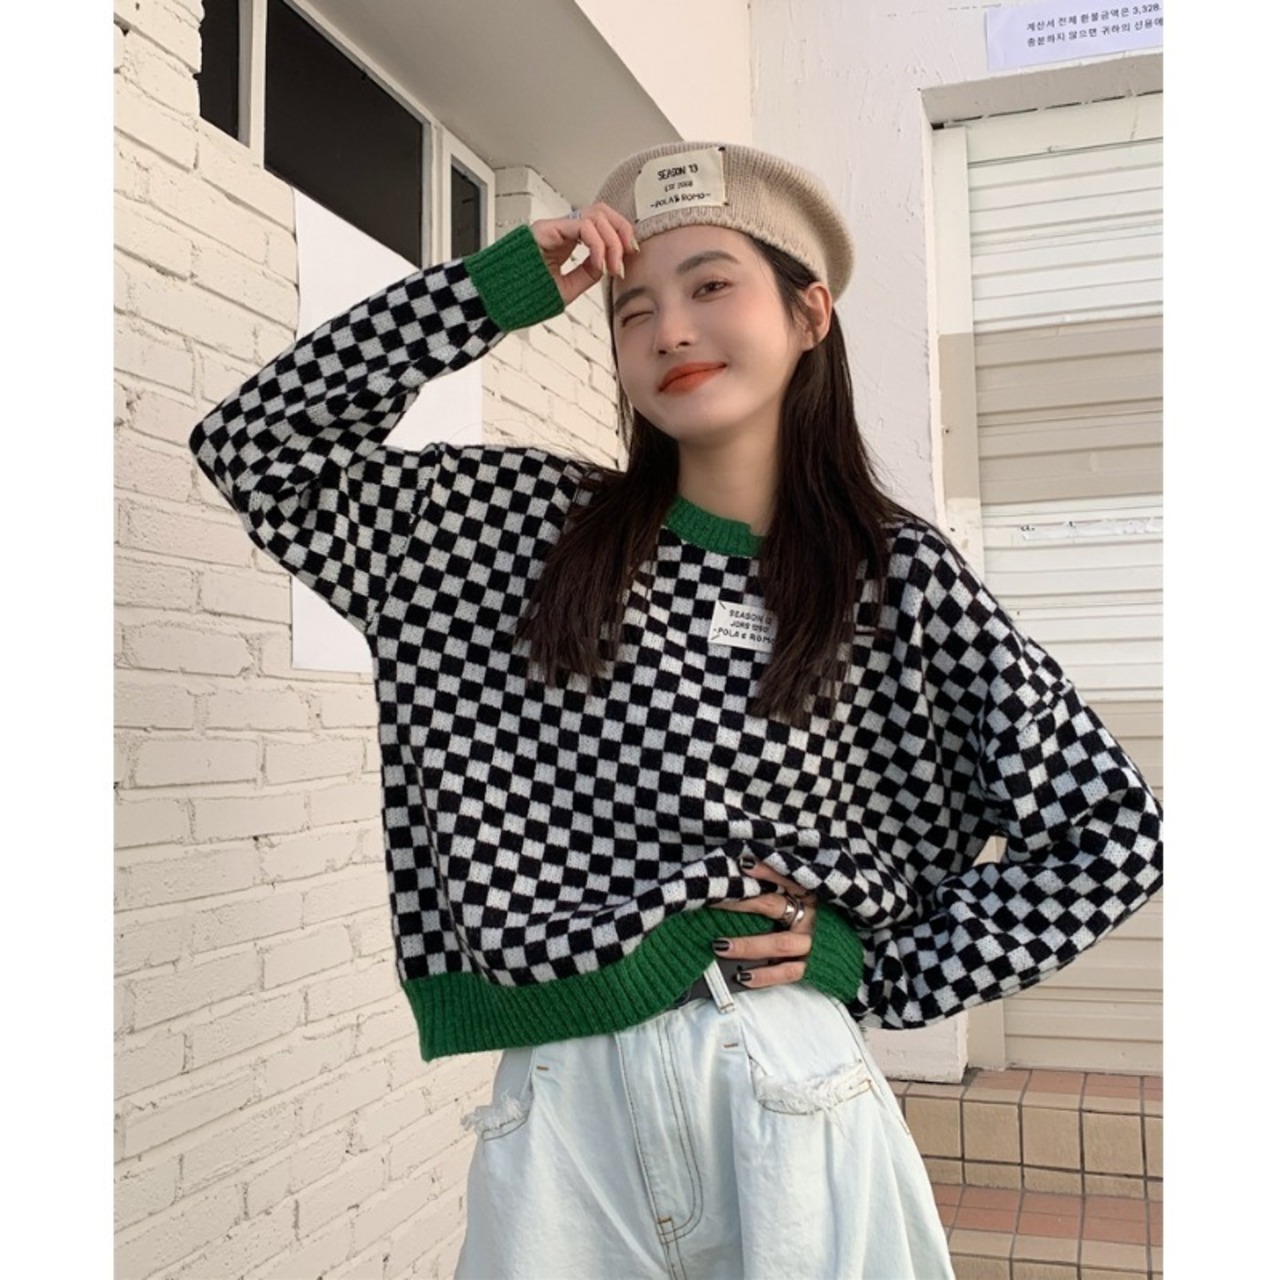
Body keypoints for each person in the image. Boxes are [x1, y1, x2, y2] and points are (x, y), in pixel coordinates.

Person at [190, 141, 1162, 1279]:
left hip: (784, 1077)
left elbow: (1113, 833)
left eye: (710, 285)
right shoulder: (514, 532)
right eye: (633, 308)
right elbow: (257, 450)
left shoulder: (890, 575)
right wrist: (492, 291)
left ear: (808, 314)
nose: (669, 330)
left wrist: (880, 965)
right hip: (564, 1105)